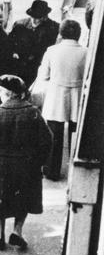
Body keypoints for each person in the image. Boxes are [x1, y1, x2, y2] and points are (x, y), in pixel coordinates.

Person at [0, 75, 52, 251]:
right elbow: (47, 140)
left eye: (1, 91)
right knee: (22, 199)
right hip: (26, 165)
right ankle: (17, 231)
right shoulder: (33, 112)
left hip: (0, 165)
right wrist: (38, 161)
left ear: (8, 94)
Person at [36, 20, 87, 180]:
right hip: (77, 95)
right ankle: (76, 169)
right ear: (78, 34)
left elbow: (43, 76)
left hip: (56, 95)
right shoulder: (86, 52)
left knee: (54, 134)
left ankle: (52, 170)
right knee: (76, 133)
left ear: (61, 33)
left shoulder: (52, 51)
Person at [8, 0, 60, 86]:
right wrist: (13, 52)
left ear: (45, 17)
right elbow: (9, 43)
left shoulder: (53, 28)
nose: (34, 20)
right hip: (19, 67)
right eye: (32, 17)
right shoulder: (19, 25)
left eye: (38, 18)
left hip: (39, 68)